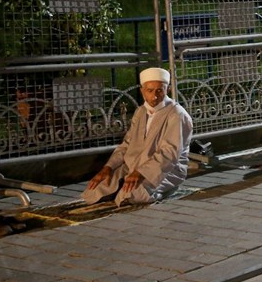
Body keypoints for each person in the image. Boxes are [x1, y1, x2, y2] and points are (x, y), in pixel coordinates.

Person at [81, 67, 193, 205]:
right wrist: (108, 167)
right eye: (150, 91)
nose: (154, 96)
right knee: (94, 191)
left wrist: (141, 173)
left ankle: (164, 190)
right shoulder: (140, 112)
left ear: (168, 89)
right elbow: (127, 145)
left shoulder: (177, 114)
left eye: (159, 90)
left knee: (131, 195)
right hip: (133, 166)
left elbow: (169, 153)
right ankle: (121, 186)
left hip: (163, 170)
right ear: (142, 90)